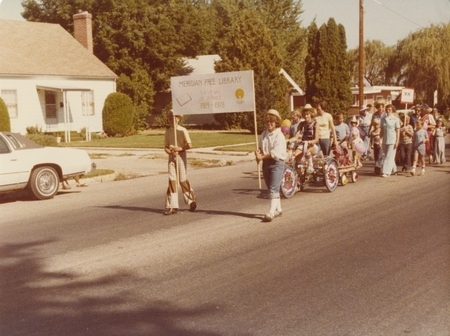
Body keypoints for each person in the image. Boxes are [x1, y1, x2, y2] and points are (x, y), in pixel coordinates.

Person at [255, 109, 286, 222]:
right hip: (266, 163)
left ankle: (271, 213)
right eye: (268, 121)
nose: (269, 124)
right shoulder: (264, 134)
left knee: (273, 188)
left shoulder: (279, 135)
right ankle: (279, 209)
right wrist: (258, 152)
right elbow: (260, 147)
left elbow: (274, 153)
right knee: (272, 188)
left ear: (276, 122)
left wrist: (261, 157)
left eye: (272, 121)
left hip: (277, 163)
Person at [164, 111, 196, 215]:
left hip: (181, 156)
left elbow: (189, 145)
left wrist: (180, 149)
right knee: (172, 180)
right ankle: (172, 206)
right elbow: (166, 147)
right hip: (172, 157)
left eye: (172, 118)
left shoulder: (183, 130)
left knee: (182, 179)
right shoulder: (168, 131)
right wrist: (171, 152)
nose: (170, 120)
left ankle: (191, 200)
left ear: (178, 119)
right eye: (169, 118)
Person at [287, 105, 320, 174]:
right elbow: (296, 137)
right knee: (294, 156)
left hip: (313, 145)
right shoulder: (301, 124)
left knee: (307, 151)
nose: (306, 116)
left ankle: (311, 165)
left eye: (307, 114)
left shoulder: (315, 124)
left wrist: (309, 142)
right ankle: (299, 174)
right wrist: (288, 140)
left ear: (311, 114)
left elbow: (317, 139)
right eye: (304, 114)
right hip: (303, 144)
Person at [380, 104, 400, 177]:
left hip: (392, 139)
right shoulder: (383, 119)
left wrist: (397, 141)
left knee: (388, 156)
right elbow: (382, 130)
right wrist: (380, 139)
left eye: (390, 110)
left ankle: (386, 172)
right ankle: (394, 169)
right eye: (387, 109)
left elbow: (398, 131)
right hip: (385, 140)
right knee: (389, 155)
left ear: (392, 110)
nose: (388, 111)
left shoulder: (395, 119)